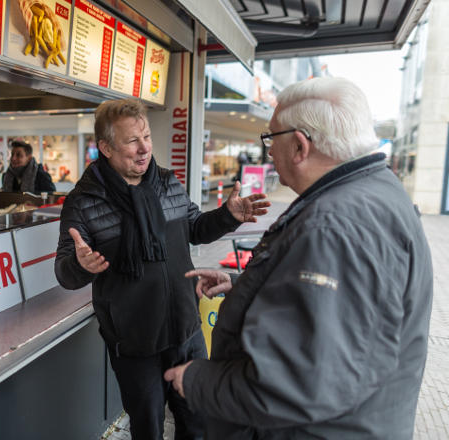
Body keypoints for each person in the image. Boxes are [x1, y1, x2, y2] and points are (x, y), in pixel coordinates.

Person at [164, 77, 433, 439]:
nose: (269, 152)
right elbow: (343, 307)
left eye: (271, 138)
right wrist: (247, 286)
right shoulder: (376, 194)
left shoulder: (335, 226)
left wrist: (196, 380)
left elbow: (295, 381)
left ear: (300, 146)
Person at [54, 98, 270, 440]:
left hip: (186, 329)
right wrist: (80, 266)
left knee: (197, 422)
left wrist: (228, 216)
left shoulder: (168, 183)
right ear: (106, 147)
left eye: (147, 137)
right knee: (149, 428)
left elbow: (196, 227)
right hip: (134, 341)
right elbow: (64, 272)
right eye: (132, 141)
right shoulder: (85, 200)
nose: (144, 149)